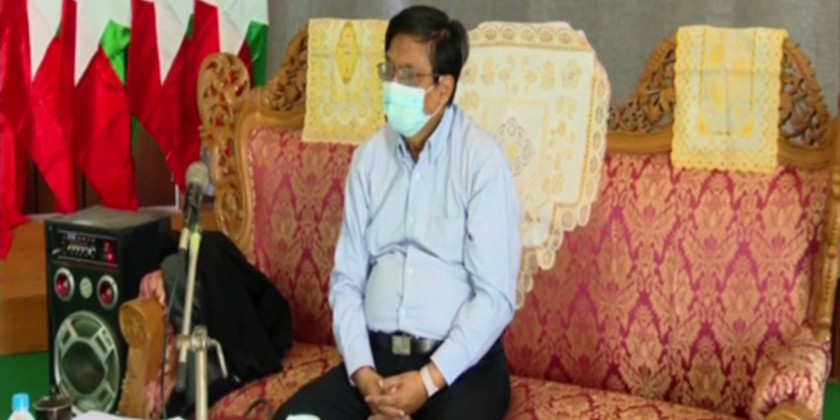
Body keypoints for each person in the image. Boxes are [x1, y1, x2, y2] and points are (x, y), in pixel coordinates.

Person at [274, 5, 521, 420]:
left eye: (408, 76)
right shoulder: (370, 159)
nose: (393, 86)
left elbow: (494, 299)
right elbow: (347, 282)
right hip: (376, 364)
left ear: (443, 89)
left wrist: (427, 380)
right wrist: (363, 374)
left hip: (458, 370)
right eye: (388, 71)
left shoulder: (481, 161)